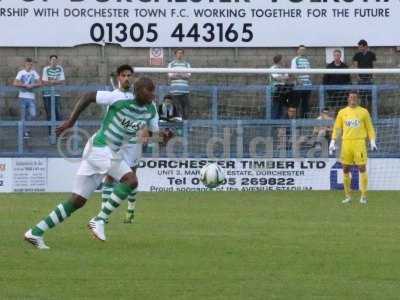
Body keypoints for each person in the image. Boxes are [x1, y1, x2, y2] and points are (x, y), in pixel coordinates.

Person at [24, 65, 157, 249]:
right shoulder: (118, 98)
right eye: (149, 91)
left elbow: (151, 134)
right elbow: (88, 96)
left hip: (110, 152)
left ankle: (35, 232)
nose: (153, 95)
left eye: (153, 91)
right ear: (139, 92)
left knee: (77, 201)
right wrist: (71, 121)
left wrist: (158, 137)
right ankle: (100, 219)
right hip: (100, 147)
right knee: (131, 180)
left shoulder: (152, 111)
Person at [329, 91, 377, 204]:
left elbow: (369, 127)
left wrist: (372, 141)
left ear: (358, 99)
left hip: (359, 143)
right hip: (346, 143)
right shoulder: (342, 112)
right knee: (345, 168)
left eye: (355, 97)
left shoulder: (364, 112)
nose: (353, 99)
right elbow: (337, 128)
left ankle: (364, 196)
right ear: (348, 99)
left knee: (362, 168)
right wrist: (332, 141)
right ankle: (348, 196)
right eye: (351, 97)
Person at [13, 58, 41, 138]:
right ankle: (25, 131)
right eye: (28, 64)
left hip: (31, 97)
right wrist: (24, 85)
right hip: (22, 97)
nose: (29, 66)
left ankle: (24, 127)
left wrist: (33, 85)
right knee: (23, 115)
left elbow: (40, 83)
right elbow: (14, 83)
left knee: (33, 114)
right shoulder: (21, 73)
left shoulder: (34, 72)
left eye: (31, 64)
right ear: (25, 64)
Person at [42, 55, 66, 142]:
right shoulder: (46, 69)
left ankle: (59, 134)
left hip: (56, 94)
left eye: (55, 60)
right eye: (52, 60)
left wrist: (53, 82)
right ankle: (50, 134)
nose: (54, 61)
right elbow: (44, 82)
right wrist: (55, 82)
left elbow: (62, 81)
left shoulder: (60, 69)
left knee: (58, 114)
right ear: (49, 61)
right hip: (47, 95)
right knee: (49, 115)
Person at [353, 39, 376, 110]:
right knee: (362, 97)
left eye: (360, 47)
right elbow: (355, 66)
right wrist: (357, 76)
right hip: (361, 79)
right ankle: (362, 112)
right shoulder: (357, 55)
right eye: (359, 47)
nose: (359, 48)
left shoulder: (371, 54)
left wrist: (373, 76)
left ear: (365, 46)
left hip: (369, 78)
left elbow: (374, 65)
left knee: (370, 97)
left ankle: (370, 113)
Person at [168, 48, 191, 120]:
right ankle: (179, 128)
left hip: (185, 91)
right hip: (175, 91)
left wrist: (177, 74)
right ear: (175, 54)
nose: (180, 55)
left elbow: (188, 76)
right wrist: (182, 74)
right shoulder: (171, 64)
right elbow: (171, 76)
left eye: (181, 53)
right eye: (178, 53)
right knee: (177, 110)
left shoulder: (187, 64)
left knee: (186, 111)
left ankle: (185, 127)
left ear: (183, 54)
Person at [291, 45, 312, 118]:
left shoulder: (307, 60)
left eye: (304, 50)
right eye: (301, 50)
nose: (303, 51)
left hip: (307, 86)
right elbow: (293, 72)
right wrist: (299, 81)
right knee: (296, 104)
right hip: (299, 86)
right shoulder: (295, 59)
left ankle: (304, 121)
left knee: (305, 104)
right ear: (298, 51)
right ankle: (296, 122)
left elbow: (309, 72)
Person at [269, 54, 292, 119]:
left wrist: (283, 77)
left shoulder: (283, 69)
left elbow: (287, 77)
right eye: (283, 59)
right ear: (279, 60)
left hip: (283, 90)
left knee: (282, 107)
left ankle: (281, 124)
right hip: (276, 90)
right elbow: (277, 78)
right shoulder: (272, 68)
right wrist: (284, 77)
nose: (284, 60)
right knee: (276, 106)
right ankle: (273, 124)